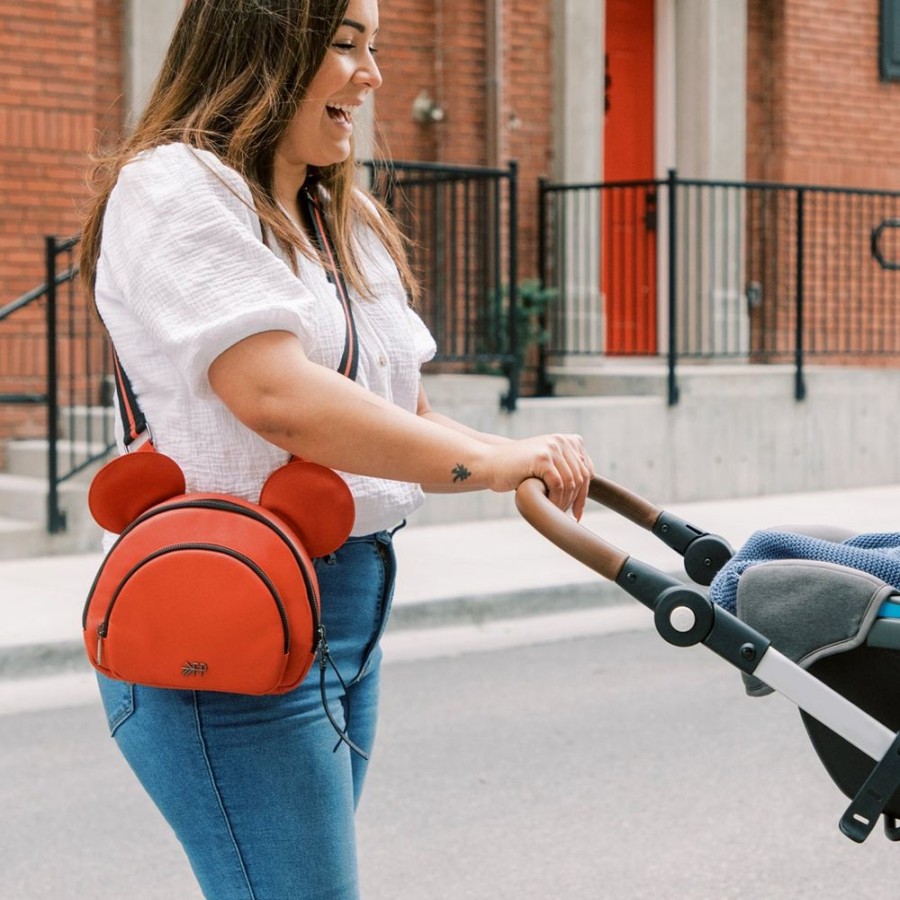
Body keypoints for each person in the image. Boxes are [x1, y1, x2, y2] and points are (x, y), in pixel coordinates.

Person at [79, 1, 594, 897]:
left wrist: (518, 451)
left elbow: (403, 407)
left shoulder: (336, 218)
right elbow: (276, 397)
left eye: (375, 45)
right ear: (263, 44)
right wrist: (491, 467)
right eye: (346, 44)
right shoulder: (175, 187)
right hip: (227, 615)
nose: (373, 73)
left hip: (347, 611)